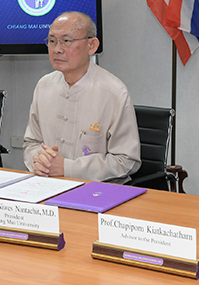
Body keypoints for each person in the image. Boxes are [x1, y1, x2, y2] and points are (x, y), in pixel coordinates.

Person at [23, 11, 141, 183]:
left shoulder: (114, 92)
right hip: (48, 185)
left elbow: (126, 161)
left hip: (97, 190)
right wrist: (39, 161)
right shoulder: (44, 85)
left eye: (66, 41)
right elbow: (31, 143)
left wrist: (68, 168)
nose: (57, 49)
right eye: (52, 41)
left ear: (91, 46)